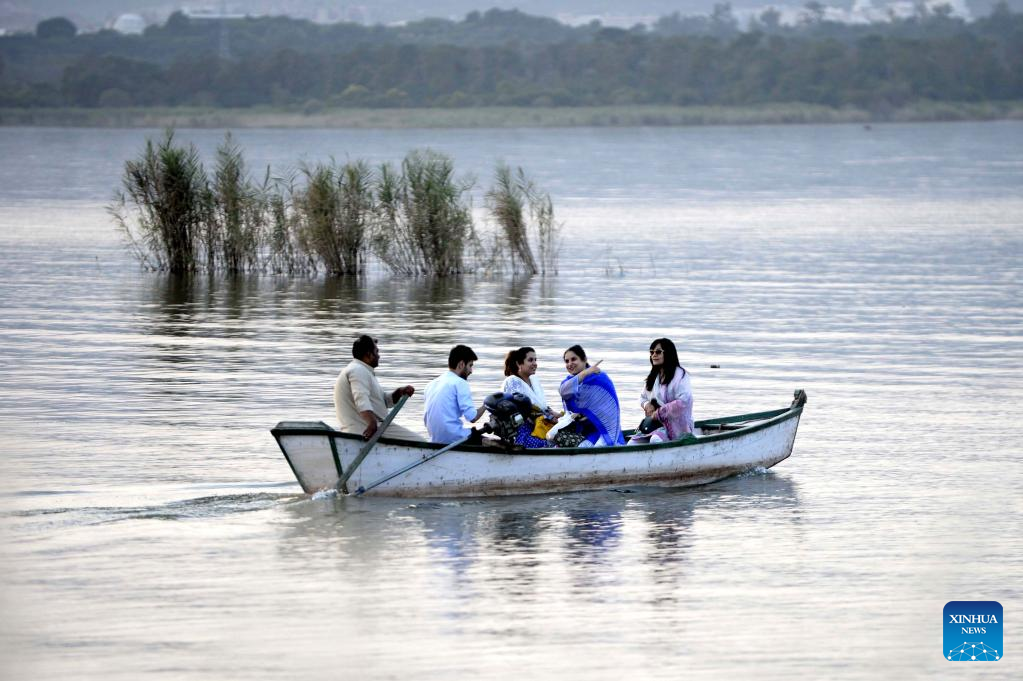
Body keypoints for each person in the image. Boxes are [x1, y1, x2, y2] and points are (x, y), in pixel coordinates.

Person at [334, 334, 421, 441]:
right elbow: (361, 399)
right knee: (420, 442)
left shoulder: (363, 370)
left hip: (375, 427)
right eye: (377, 352)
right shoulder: (358, 370)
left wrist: (399, 392)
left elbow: (384, 402)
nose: (379, 356)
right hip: (367, 430)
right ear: (368, 354)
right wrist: (372, 423)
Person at [627, 338, 694, 445]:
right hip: (654, 425)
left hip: (677, 426)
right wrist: (647, 404)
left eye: (658, 352)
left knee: (655, 440)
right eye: (651, 352)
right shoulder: (654, 376)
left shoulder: (681, 375)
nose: (654, 355)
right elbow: (642, 397)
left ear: (668, 353)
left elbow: (683, 402)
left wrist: (659, 413)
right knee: (631, 444)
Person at [557, 344, 624, 447]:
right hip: (584, 430)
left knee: (599, 447)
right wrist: (585, 373)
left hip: (604, 429)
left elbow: (609, 412)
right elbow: (563, 391)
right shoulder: (569, 381)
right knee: (579, 446)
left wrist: (588, 416)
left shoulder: (599, 378)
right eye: (567, 361)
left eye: (573, 359)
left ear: (584, 359)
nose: (570, 364)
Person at [423, 344, 487, 444]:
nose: (471, 371)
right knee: (496, 444)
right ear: (461, 364)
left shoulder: (431, 384)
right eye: (470, 365)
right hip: (455, 438)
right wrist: (486, 404)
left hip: (434, 439)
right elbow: (472, 417)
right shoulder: (460, 383)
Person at [500, 346, 559, 448]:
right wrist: (548, 416)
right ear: (519, 363)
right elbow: (524, 409)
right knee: (551, 443)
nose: (535, 363)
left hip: (539, 424)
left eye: (535, 360)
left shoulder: (534, 380)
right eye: (530, 360)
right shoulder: (512, 381)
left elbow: (541, 405)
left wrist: (554, 414)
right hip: (521, 429)